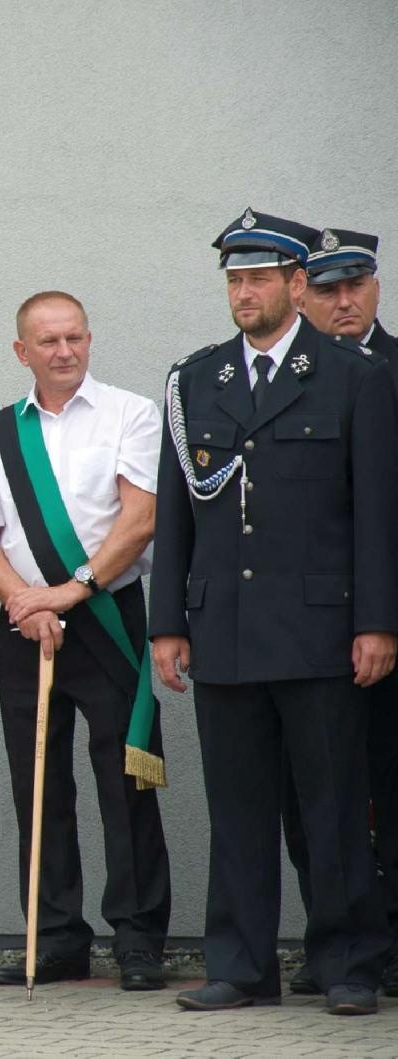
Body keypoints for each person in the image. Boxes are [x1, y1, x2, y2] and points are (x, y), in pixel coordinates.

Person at [151, 210, 398, 1016]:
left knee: (330, 808)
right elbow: (176, 513)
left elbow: (374, 514)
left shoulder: (352, 376)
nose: (244, 293)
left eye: (259, 278)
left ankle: (348, 962)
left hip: (322, 629)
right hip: (223, 629)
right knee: (239, 811)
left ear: (297, 284)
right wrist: (166, 624)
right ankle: (242, 964)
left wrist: (378, 620)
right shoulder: (197, 380)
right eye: (234, 279)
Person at [0, 291, 171, 992]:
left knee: (126, 781)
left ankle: (137, 938)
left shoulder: (131, 413)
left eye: (74, 336)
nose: (63, 350)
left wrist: (72, 589)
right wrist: (24, 600)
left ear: (89, 338)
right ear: (22, 351)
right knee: (38, 785)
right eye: (47, 340)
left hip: (106, 614)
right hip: (25, 626)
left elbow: (139, 520)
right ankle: (52, 937)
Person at [295, 226, 398, 998]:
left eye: (354, 285)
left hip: (390, 619)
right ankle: (337, 940)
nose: (343, 301)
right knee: (324, 794)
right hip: (322, 624)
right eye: (327, 288)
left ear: (375, 286)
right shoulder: (300, 379)